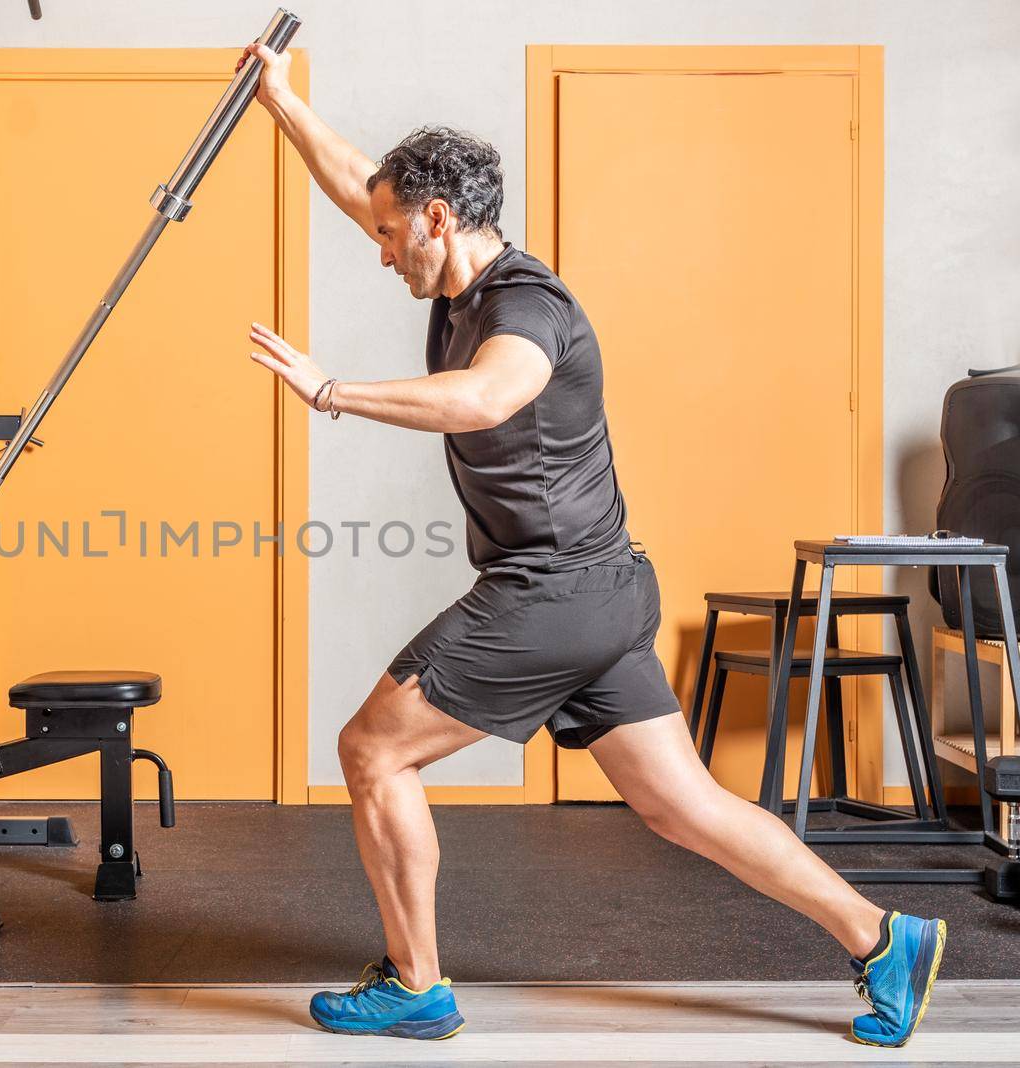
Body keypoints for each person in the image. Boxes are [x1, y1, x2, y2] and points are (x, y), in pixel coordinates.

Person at [238, 41, 945, 1048]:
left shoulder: (527, 306)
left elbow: (485, 397)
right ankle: (885, 940)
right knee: (682, 806)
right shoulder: (450, 275)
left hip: (551, 591)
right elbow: (361, 185)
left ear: (441, 220)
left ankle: (415, 984)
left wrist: (331, 391)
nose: (379, 247)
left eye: (394, 233)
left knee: (371, 751)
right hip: (603, 590)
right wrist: (279, 97)